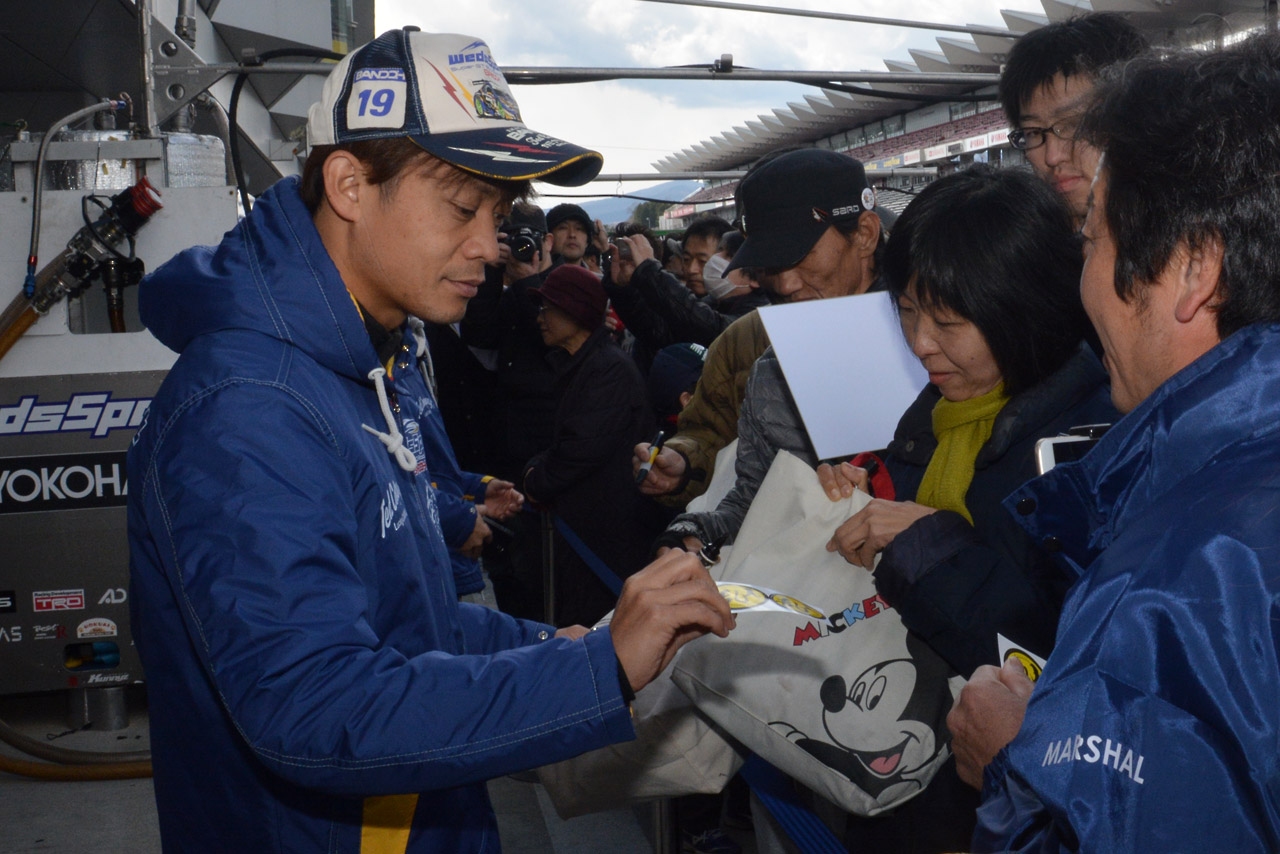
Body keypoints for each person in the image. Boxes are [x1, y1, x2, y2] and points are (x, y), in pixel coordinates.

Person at [126, 27, 733, 853]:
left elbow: (407, 621)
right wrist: (596, 671)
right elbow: (313, 705)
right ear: (349, 185)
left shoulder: (363, 359)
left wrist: (565, 646)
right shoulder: (247, 407)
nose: (489, 245)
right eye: (462, 208)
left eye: (499, 214)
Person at [953, 34, 1280, 852]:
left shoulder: (1178, 585)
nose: (1086, 280)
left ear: (1194, 268)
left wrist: (1018, 765)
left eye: (1093, 241)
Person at [651, 148, 883, 551]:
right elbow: (753, 502)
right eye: (769, 265)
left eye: (801, 255)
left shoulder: (944, 339)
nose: (785, 284)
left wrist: (888, 502)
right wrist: (694, 534)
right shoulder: (772, 368)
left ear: (864, 234)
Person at [522, 265, 671, 628]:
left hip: (607, 537)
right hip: (590, 531)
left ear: (575, 312)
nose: (540, 318)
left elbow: (579, 450)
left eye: (547, 309)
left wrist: (534, 479)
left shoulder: (608, 370)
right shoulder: (582, 364)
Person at [999, 13, 1147, 224]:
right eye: (1033, 132)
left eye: (1074, 125)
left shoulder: (1190, 235)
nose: (1052, 157)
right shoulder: (1025, 240)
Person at [546, 202, 594, 267]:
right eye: (563, 228)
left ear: (587, 240)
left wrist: (605, 250)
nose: (572, 235)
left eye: (579, 229)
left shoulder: (596, 274)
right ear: (548, 239)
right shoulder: (534, 273)